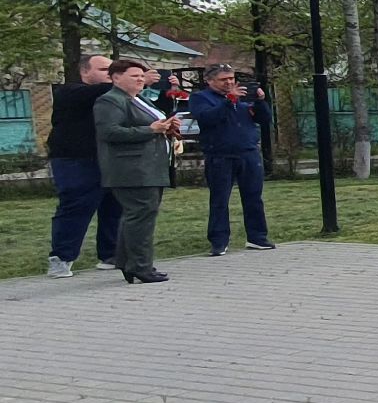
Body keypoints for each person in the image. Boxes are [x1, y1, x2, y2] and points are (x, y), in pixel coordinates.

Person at [92, 60, 180, 284]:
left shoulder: (138, 99)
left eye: (142, 76)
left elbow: (152, 124)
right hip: (132, 169)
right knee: (141, 216)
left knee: (137, 216)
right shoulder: (110, 100)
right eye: (134, 76)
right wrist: (150, 129)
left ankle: (128, 264)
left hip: (150, 167)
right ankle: (141, 267)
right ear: (116, 78)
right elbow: (110, 132)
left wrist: (166, 127)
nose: (140, 79)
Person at [44, 54, 121, 278]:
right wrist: (128, 79)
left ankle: (111, 254)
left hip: (108, 159)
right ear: (85, 71)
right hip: (76, 160)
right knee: (76, 206)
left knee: (114, 206)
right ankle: (61, 258)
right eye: (104, 70)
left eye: (113, 70)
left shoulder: (115, 96)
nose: (110, 75)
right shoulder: (70, 92)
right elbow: (96, 92)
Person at [186, 65, 274, 256]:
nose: (229, 82)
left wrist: (260, 102)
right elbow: (207, 118)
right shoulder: (201, 98)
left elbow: (264, 119)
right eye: (223, 79)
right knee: (220, 199)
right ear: (210, 81)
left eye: (231, 78)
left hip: (248, 152)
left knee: (253, 197)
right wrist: (229, 100)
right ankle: (219, 241)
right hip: (220, 155)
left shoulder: (243, 96)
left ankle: (257, 237)